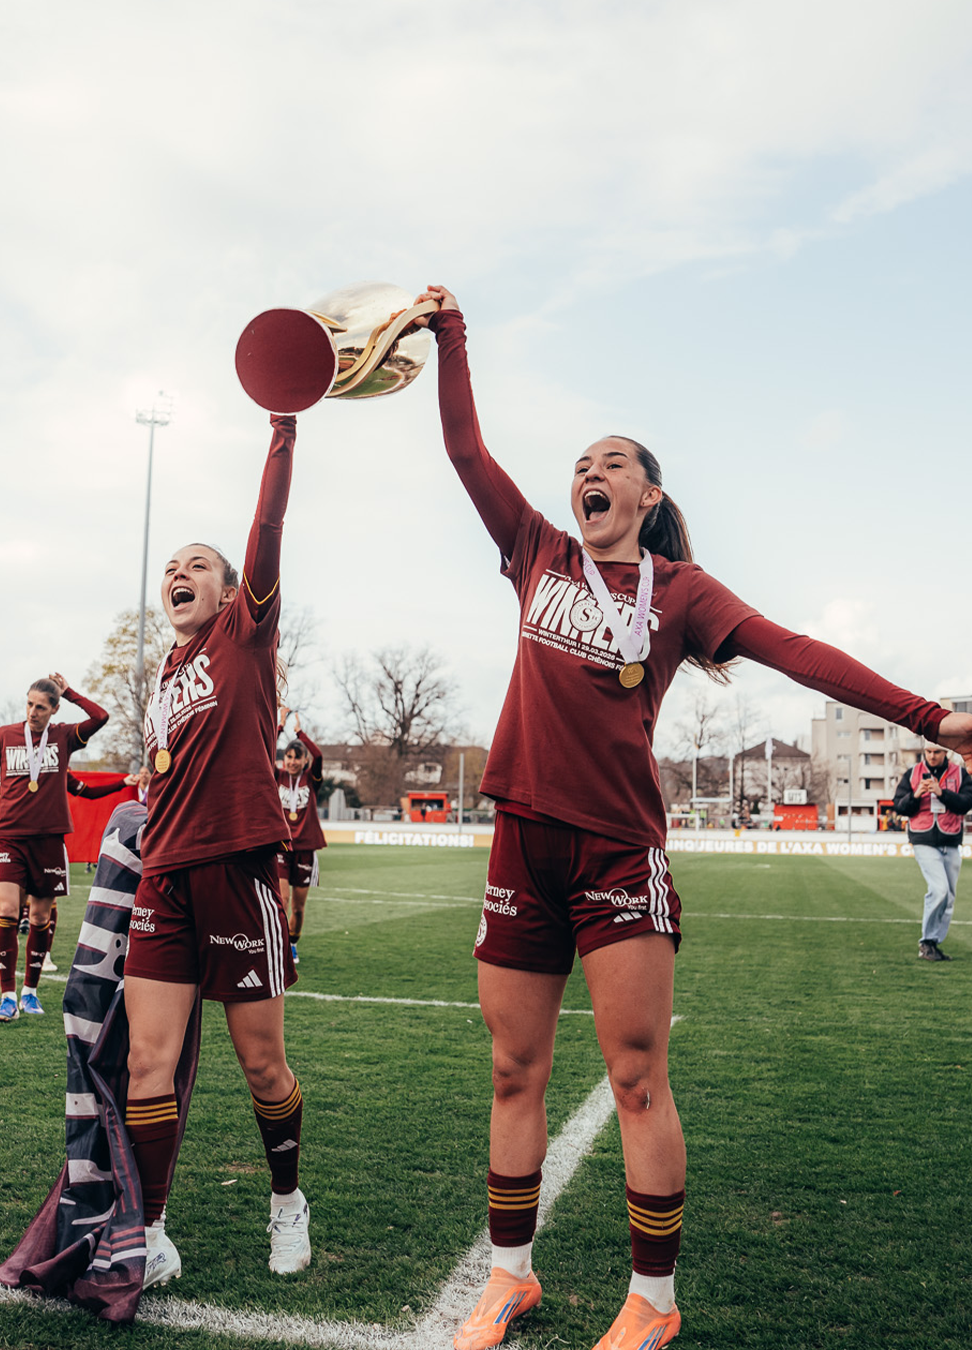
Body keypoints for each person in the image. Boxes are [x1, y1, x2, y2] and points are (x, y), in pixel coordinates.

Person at [413, 284, 972, 1350]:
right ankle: (510, 1280)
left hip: (620, 851)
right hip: (519, 839)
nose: (591, 471)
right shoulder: (534, 549)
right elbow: (464, 449)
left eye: (614, 460)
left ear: (651, 494)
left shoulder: (680, 589)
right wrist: (452, 337)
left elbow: (797, 649)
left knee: (634, 1075)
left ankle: (652, 1303)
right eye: (582, 460)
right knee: (511, 1069)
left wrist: (929, 716)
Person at [122, 413, 309, 1291]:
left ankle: (286, 1201)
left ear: (234, 590)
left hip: (238, 870)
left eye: (197, 564)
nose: (178, 574)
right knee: (146, 1059)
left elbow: (266, 528)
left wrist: (282, 431)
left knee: (260, 1063)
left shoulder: (245, 637)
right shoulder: (165, 672)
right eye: (170, 568)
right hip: (163, 877)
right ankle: (152, 1229)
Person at [0, 676, 109, 1021]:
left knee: (41, 917)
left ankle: (30, 992)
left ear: (54, 709)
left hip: (49, 841)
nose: (32, 712)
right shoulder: (6, 736)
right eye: (28, 704)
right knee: (9, 910)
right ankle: (7, 997)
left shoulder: (64, 736)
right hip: (9, 837)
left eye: (41, 707)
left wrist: (70, 692)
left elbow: (100, 717)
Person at [0, 761, 138, 970]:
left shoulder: (58, 771)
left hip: (46, 844)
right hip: (17, 844)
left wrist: (122, 782)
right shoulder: (13, 770)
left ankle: (45, 955)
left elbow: (89, 792)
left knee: (48, 905)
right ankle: (10, 951)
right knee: (15, 902)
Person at [893, 744, 972, 961]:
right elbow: (899, 807)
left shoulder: (960, 774)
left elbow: (966, 804)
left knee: (949, 897)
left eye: (936, 752)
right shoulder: (912, 773)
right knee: (939, 890)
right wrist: (916, 794)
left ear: (945, 752)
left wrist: (941, 793)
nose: (931, 756)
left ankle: (933, 943)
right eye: (928, 752)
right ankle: (926, 941)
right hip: (923, 839)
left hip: (951, 840)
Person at [275, 707, 326, 964]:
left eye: (297, 758)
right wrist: (280, 726)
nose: (292, 762)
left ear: (303, 761)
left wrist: (299, 733)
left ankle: (293, 943)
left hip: (306, 847)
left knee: (298, 907)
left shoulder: (311, 778)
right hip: (282, 846)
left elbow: (318, 756)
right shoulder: (278, 776)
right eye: (288, 757)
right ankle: (281, 945)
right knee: (281, 899)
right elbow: (262, 752)